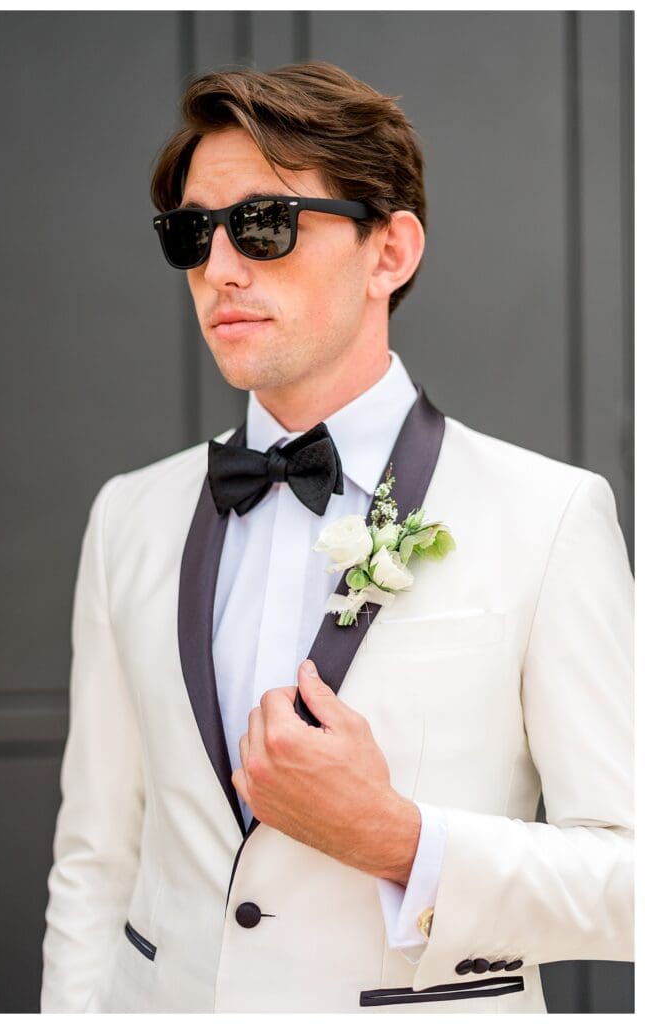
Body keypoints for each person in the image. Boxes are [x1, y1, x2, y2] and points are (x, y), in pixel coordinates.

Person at [40, 61, 633, 1013]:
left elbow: (631, 881)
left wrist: (398, 840)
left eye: (263, 225)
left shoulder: (551, 516)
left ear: (389, 251)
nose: (220, 269)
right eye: (192, 235)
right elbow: (96, 861)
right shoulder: (130, 517)